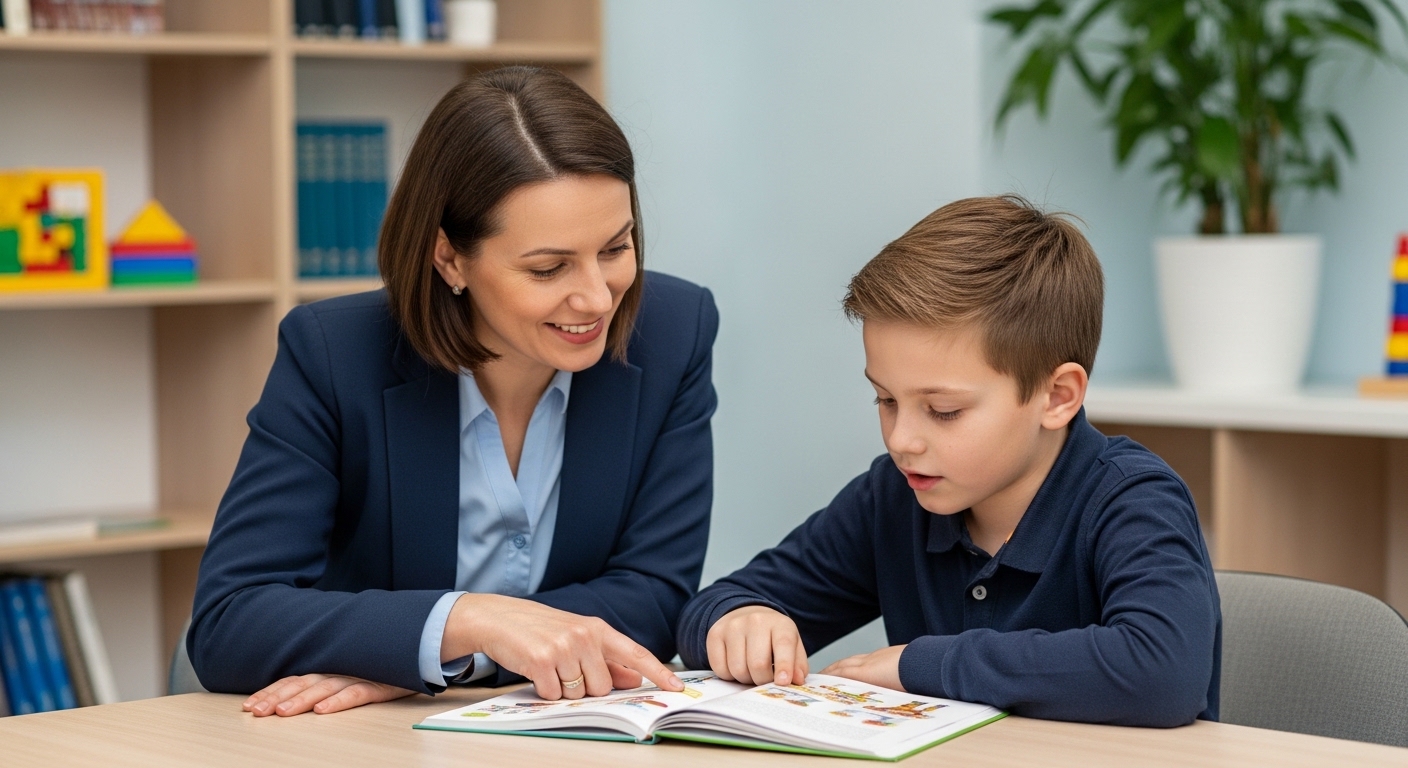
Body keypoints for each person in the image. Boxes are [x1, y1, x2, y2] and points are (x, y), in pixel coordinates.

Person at [189, 66, 718, 717]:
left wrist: (441, 660)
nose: (597, 297)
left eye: (616, 247)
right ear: (448, 258)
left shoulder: (674, 331)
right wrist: (459, 622)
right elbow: (229, 621)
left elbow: (656, 598)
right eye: (548, 267)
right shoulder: (334, 353)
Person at [676, 195, 1220, 727]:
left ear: (1056, 397)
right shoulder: (895, 497)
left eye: (943, 410)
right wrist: (740, 620)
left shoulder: (1134, 499)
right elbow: (713, 605)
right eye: (885, 400)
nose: (902, 440)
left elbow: (1162, 672)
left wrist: (923, 663)